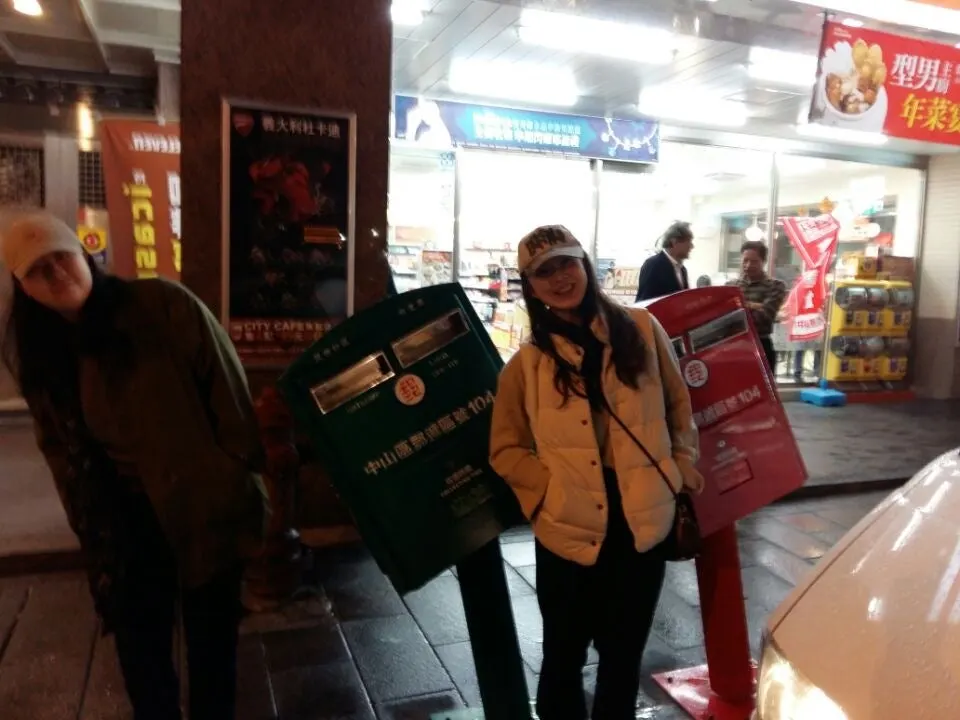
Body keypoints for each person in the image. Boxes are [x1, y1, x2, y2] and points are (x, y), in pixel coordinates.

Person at [0, 211, 270, 720]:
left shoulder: (161, 306)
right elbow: (55, 446)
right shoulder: (41, 354)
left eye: (61, 257)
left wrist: (233, 473)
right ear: (23, 286)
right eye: (38, 269)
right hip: (121, 522)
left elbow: (227, 387)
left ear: (85, 254)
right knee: (142, 658)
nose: (56, 273)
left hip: (202, 505)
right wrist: (83, 517)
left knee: (213, 650)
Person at [489, 225, 702, 720]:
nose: (560, 278)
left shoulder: (642, 329)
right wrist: (547, 494)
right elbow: (505, 447)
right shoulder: (528, 363)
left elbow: (678, 405)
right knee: (563, 655)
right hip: (568, 525)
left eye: (567, 263)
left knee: (623, 654)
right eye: (544, 272)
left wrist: (680, 467)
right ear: (530, 285)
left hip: (641, 518)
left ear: (584, 263)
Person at [732, 240, 787, 374]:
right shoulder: (731, 286)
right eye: (745, 260)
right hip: (734, 349)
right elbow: (725, 318)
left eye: (754, 261)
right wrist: (756, 306)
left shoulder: (776, 286)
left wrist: (741, 307)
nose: (748, 265)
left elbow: (765, 317)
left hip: (761, 345)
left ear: (763, 261)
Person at [635, 221, 693, 302]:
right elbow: (644, 302)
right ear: (674, 242)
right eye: (688, 241)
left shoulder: (682, 270)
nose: (691, 246)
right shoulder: (653, 265)